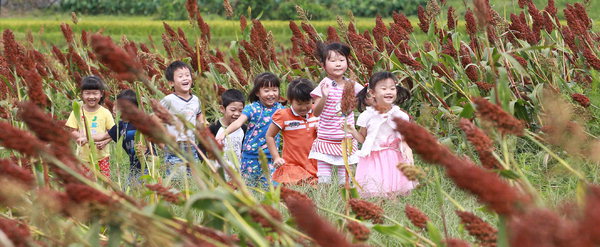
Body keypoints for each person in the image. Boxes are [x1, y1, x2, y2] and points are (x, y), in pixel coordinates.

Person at [349, 71, 417, 197]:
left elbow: (403, 138)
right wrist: (352, 131)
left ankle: (393, 210)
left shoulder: (400, 115)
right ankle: (380, 208)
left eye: (392, 88)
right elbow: (363, 138)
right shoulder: (367, 116)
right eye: (384, 88)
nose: (389, 92)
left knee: (393, 188)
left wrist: (408, 151)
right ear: (372, 92)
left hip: (394, 156)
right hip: (374, 157)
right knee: (378, 187)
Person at [215, 72, 284, 187]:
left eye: (274, 90)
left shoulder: (281, 110)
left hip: (271, 157)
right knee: (249, 187)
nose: (271, 94)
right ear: (257, 92)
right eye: (266, 91)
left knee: (272, 188)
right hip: (251, 156)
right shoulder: (252, 108)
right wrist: (223, 134)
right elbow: (238, 123)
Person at [309, 42, 364, 184]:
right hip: (326, 139)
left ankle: (344, 203)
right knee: (324, 179)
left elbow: (365, 99)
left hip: (346, 140)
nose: (338, 64)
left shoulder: (352, 85)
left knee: (344, 180)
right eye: (332, 61)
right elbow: (316, 113)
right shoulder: (324, 85)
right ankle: (324, 201)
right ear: (324, 65)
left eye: (341, 60)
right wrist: (324, 96)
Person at [266, 78, 319, 185]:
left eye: (307, 103)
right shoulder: (283, 115)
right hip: (293, 164)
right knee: (296, 191)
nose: (304, 107)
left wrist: (321, 129)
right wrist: (276, 157)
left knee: (315, 192)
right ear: (290, 100)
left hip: (314, 163)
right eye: (299, 104)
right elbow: (269, 136)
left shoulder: (317, 112)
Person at [65, 75, 115, 178]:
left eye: (95, 93)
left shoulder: (105, 113)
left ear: (101, 94)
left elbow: (112, 132)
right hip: (84, 158)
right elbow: (72, 130)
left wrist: (105, 142)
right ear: (82, 95)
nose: (91, 97)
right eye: (87, 93)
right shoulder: (77, 111)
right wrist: (80, 137)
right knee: (87, 182)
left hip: (102, 157)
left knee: (104, 182)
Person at [159, 61, 203, 176]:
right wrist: (162, 141)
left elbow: (199, 115)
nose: (185, 78)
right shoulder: (169, 100)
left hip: (191, 145)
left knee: (194, 179)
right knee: (177, 179)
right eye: (180, 76)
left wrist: (201, 128)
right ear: (171, 83)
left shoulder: (196, 100)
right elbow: (155, 119)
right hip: (175, 146)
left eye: (187, 75)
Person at [208, 89, 247, 177]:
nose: (237, 114)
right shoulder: (214, 127)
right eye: (233, 110)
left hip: (238, 173)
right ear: (222, 109)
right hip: (218, 173)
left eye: (240, 111)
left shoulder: (244, 129)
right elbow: (203, 147)